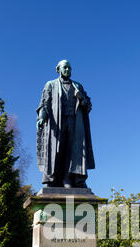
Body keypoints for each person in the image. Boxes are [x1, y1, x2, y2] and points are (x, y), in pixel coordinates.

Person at [36, 60, 95, 188]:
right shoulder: (50, 85)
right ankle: (51, 179)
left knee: (73, 152)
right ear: (58, 69)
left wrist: (81, 98)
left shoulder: (77, 86)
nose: (67, 70)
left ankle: (70, 179)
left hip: (74, 122)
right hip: (57, 122)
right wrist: (41, 118)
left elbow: (88, 105)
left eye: (69, 68)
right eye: (65, 68)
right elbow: (44, 104)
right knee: (56, 150)